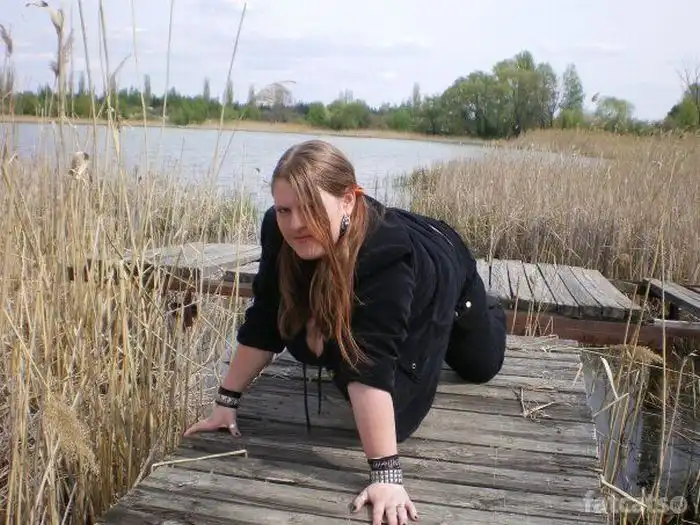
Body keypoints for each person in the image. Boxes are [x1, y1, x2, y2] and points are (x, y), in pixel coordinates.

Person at [184, 139, 507, 525]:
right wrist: (225, 404)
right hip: (376, 260)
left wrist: (385, 476)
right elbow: (265, 318)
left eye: (310, 208)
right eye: (285, 209)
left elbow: (368, 364)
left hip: (441, 262)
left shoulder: (386, 252)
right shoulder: (278, 228)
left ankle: (480, 310)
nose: (295, 224)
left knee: (471, 371)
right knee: (313, 337)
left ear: (349, 200)